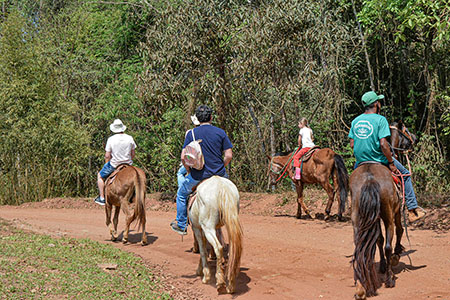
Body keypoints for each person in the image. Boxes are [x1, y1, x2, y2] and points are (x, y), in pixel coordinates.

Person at [348, 91, 426, 222]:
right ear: (376, 104)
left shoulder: (355, 121)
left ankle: (354, 207)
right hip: (379, 159)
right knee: (405, 175)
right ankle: (412, 210)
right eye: (378, 101)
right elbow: (384, 144)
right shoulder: (380, 119)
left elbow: (352, 144)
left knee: (353, 181)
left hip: (360, 161)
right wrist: (390, 162)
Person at [170, 105, 233, 235]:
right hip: (220, 174)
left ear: (198, 119)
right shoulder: (220, 132)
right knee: (231, 192)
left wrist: (188, 170)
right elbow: (228, 155)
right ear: (211, 117)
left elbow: (183, 157)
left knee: (181, 195)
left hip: (199, 175)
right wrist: (221, 166)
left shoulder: (191, 133)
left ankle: (181, 224)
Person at [94, 119, 136, 206]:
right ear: (122, 128)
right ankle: (133, 195)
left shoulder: (111, 139)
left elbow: (107, 155)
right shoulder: (130, 138)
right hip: (128, 165)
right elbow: (133, 154)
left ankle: (102, 198)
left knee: (100, 176)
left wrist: (107, 162)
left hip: (114, 164)